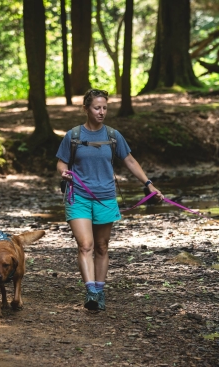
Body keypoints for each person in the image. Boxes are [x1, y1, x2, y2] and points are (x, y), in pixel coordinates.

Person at [56, 89, 163, 311]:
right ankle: (91, 292)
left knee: (102, 246)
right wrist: (64, 172)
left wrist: (149, 184)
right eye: (97, 108)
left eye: (105, 107)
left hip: (105, 197)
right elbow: (61, 162)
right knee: (86, 245)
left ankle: (100, 289)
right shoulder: (73, 136)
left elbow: (130, 161)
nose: (102, 112)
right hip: (79, 197)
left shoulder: (114, 136)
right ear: (86, 109)